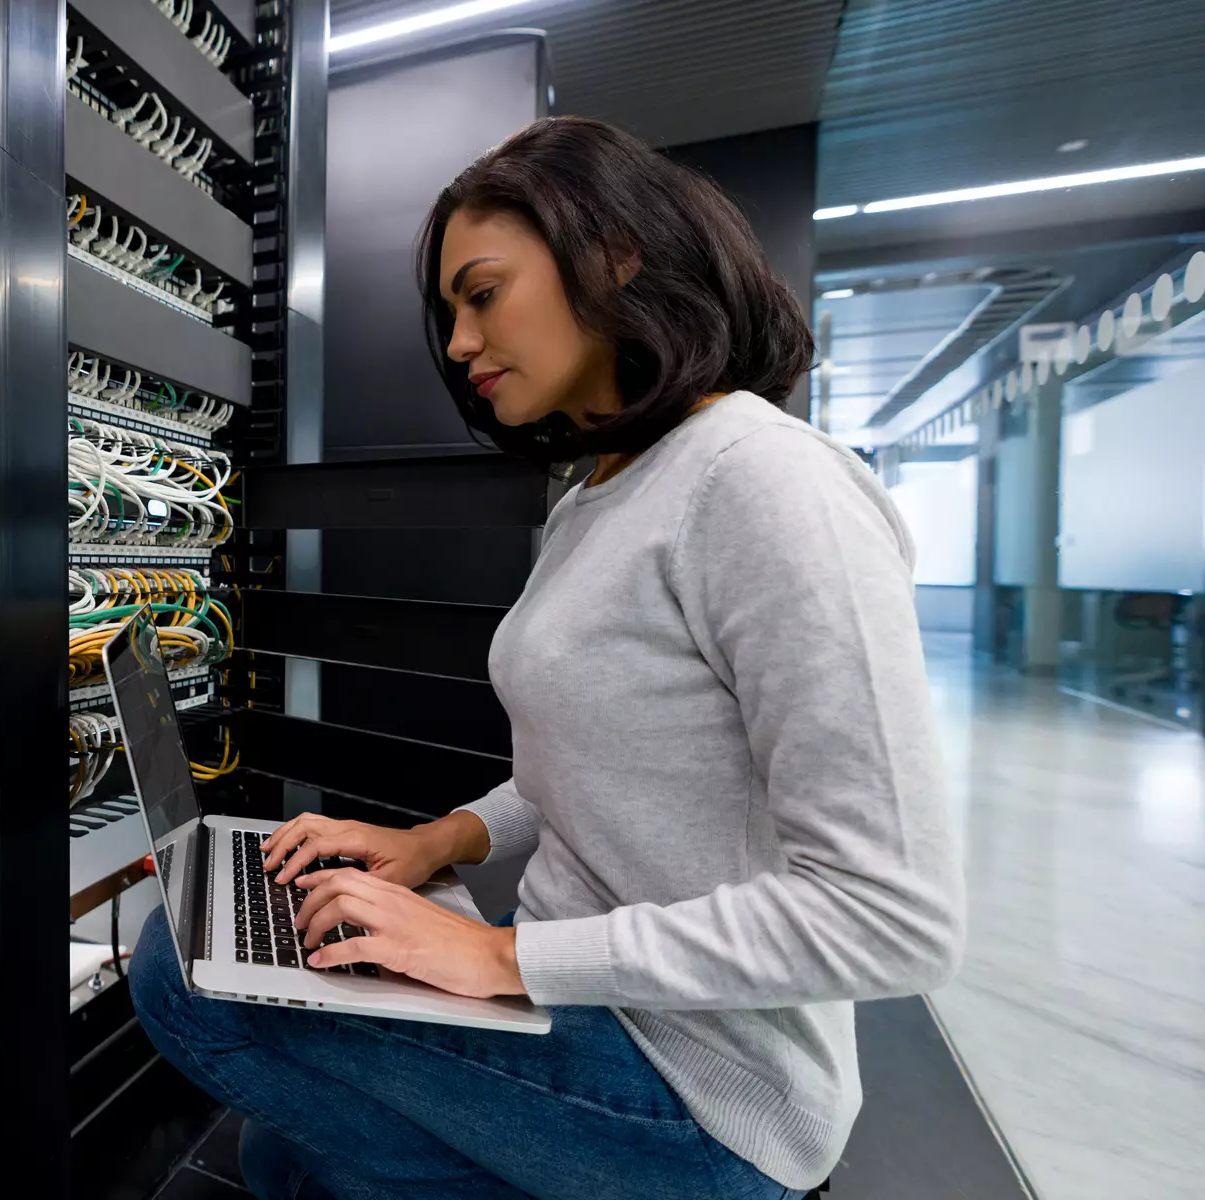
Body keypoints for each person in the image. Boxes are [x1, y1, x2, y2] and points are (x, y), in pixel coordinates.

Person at [128, 116, 964, 1200]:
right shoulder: (600, 494)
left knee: (185, 977)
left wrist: (499, 959)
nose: (459, 342)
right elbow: (592, 764)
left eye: (481, 294)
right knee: (275, 1152)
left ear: (614, 255)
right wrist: (434, 842)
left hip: (698, 1085)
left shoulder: (764, 483)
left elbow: (889, 916)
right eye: (450, 312)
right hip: (588, 1003)